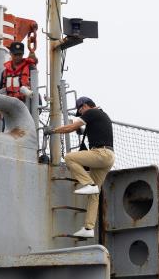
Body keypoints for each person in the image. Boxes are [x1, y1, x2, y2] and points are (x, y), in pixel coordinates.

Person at [44, 97, 115, 239]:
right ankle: (89, 227)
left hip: (100, 154)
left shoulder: (92, 112)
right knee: (94, 194)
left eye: (80, 110)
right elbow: (94, 132)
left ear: (85, 106)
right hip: (108, 156)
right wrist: (81, 131)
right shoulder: (101, 115)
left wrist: (53, 131)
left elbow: (70, 127)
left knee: (70, 157)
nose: (80, 113)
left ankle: (88, 183)